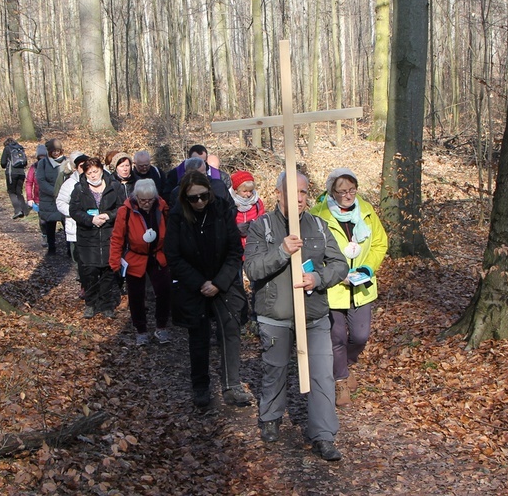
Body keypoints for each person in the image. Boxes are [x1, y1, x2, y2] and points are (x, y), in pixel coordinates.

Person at [244, 171, 348, 461]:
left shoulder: (317, 225)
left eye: (303, 192)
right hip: (275, 316)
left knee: (321, 376)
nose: (299, 199)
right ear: (278, 193)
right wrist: (281, 251)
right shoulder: (260, 227)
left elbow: (339, 265)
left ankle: (324, 434)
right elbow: (252, 269)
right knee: (275, 370)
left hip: (313, 317)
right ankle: (270, 417)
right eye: (293, 193)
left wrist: (318, 278)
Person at [164, 170, 253, 408]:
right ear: (185, 198)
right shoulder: (177, 218)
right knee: (199, 337)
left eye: (203, 196)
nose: (200, 202)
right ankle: (201, 386)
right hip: (194, 285)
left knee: (230, 331)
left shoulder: (222, 210)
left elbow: (235, 250)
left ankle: (231, 384)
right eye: (194, 198)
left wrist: (219, 282)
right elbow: (173, 256)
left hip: (222, 281)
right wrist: (199, 283)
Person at [309, 168, 388, 407]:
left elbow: (379, 243)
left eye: (351, 190)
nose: (347, 195)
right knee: (336, 337)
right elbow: (312, 254)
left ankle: (347, 363)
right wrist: (335, 274)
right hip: (333, 288)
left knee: (360, 335)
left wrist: (367, 269)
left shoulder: (366, 211)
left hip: (361, 286)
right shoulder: (318, 215)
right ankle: (340, 379)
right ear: (331, 191)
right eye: (342, 191)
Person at [110, 179, 171, 346]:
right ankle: (141, 330)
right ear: (136, 197)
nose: (146, 203)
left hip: (158, 255)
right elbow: (117, 238)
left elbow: (171, 229)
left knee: (164, 292)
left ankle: (161, 326)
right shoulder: (125, 211)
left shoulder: (161, 206)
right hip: (135, 258)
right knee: (136, 296)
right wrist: (115, 262)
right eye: (143, 200)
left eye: (150, 199)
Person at [70, 156, 122, 319]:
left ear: (101, 170)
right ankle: (90, 304)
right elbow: (74, 211)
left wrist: (108, 216)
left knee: (108, 272)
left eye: (95, 171)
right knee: (89, 272)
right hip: (88, 237)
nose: (93, 175)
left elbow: (122, 208)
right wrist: (90, 219)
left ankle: (107, 305)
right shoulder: (79, 188)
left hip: (109, 235)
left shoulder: (114, 186)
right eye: (89, 172)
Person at [56, 152, 88, 282]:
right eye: (81, 166)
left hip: (95, 226)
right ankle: (83, 284)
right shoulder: (69, 184)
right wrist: (74, 212)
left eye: (87, 165)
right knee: (78, 257)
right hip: (75, 227)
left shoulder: (99, 181)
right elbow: (60, 202)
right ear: (75, 168)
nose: (85, 168)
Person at [36, 139, 67, 254]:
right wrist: (54, 191)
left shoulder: (67, 161)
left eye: (58, 151)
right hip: (48, 199)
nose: (56, 153)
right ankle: (51, 247)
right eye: (53, 151)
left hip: (64, 197)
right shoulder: (43, 163)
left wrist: (63, 192)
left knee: (67, 224)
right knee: (50, 224)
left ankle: (69, 249)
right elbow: (41, 180)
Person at [163, 144, 232, 194]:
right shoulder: (175, 174)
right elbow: (168, 195)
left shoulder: (221, 177)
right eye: (195, 161)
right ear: (189, 158)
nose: (199, 164)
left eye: (203, 161)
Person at [230, 170, 265, 249]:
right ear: (236, 190)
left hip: (254, 245)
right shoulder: (229, 203)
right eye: (245, 191)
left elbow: (262, 221)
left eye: (251, 191)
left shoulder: (257, 203)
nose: (249, 194)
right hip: (236, 245)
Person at [0, 138, 30, 219]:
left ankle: (18, 210)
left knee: (11, 192)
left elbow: (3, 163)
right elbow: (25, 162)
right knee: (19, 191)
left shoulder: (7, 148)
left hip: (11, 173)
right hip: (21, 173)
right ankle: (25, 210)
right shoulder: (20, 148)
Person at [25, 144, 49, 248]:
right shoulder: (33, 168)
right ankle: (45, 236)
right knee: (43, 220)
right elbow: (29, 183)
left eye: (44, 156)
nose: (42, 159)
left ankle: (53, 240)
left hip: (51, 197)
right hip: (39, 199)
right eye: (40, 157)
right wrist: (30, 198)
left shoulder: (51, 166)